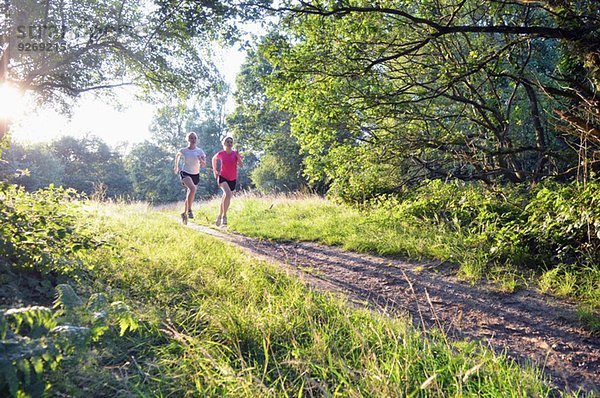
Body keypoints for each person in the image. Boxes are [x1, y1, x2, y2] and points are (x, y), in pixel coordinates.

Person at [174, 132, 206, 225]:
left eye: (194, 138)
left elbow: (204, 164)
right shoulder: (184, 150)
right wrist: (176, 166)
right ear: (188, 139)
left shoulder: (200, 151)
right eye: (191, 138)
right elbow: (177, 155)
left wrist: (200, 159)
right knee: (193, 189)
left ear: (197, 139)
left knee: (190, 193)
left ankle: (184, 214)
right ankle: (189, 210)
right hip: (185, 173)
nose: (193, 140)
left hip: (195, 175)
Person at [212, 136, 243, 226]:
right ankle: (224, 216)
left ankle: (219, 215)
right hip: (222, 177)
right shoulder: (221, 153)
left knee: (225, 197)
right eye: (227, 142)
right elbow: (214, 159)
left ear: (232, 144)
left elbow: (241, 165)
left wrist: (238, 156)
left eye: (231, 142)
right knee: (228, 194)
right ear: (224, 143)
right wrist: (215, 170)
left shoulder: (235, 154)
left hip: (232, 179)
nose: (229, 144)